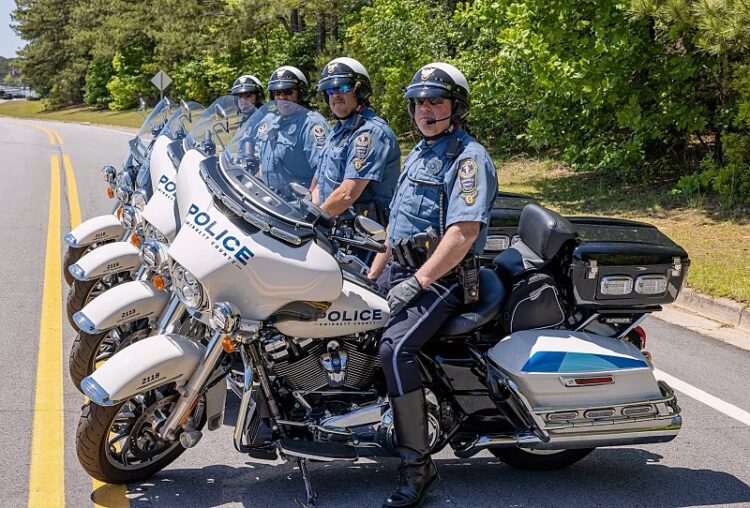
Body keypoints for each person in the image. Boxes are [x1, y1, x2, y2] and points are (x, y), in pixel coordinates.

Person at [367, 63, 499, 508]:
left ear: (455, 106)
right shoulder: (422, 151)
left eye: (435, 100)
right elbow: (396, 229)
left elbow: (461, 234)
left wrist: (418, 281)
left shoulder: (467, 158)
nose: (425, 109)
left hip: (444, 277)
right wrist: (372, 276)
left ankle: (418, 467)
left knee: (395, 348)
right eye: (419, 101)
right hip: (405, 271)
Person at [310, 57, 399, 224]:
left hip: (364, 237)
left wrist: (316, 219)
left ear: (360, 92)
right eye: (329, 90)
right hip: (335, 229)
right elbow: (320, 184)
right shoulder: (337, 131)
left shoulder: (370, 133)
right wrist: (308, 210)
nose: (335, 95)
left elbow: (347, 193)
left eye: (343, 87)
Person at [251, 65, 329, 200]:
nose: (282, 97)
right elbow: (263, 164)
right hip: (270, 202)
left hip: (297, 207)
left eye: (288, 92)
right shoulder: (272, 122)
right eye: (277, 93)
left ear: (300, 93)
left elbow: (324, 171)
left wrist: (310, 205)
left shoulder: (311, 124)